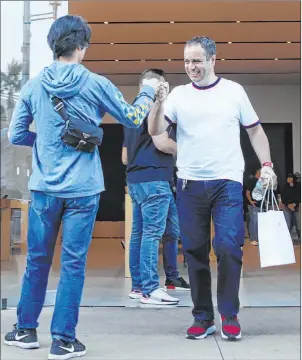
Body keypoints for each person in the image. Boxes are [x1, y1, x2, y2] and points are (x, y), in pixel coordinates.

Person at [4, 15, 159, 360]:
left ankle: (25, 331)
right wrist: (148, 90)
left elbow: (16, 135)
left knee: (37, 262)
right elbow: (133, 118)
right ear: (82, 46)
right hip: (83, 190)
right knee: (73, 263)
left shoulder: (33, 86)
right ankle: (63, 341)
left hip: (44, 189)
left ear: (53, 45)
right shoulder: (95, 83)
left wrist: (44, 142)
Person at [147, 36, 277, 341]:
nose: (192, 67)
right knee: (194, 251)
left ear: (212, 59)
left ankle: (229, 313)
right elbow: (155, 130)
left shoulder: (233, 92)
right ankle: (203, 317)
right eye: (187, 61)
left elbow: (255, 131)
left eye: (197, 60)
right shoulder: (178, 96)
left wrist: (267, 165)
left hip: (227, 183)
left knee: (229, 246)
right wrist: (157, 104)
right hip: (190, 185)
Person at [123, 69, 190, 305]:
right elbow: (161, 143)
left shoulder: (131, 112)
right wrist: (191, 148)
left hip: (135, 179)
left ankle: (138, 286)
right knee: (152, 233)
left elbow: (124, 156)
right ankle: (151, 289)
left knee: (139, 234)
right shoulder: (155, 109)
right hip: (155, 179)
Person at [281, 173, 301, 244]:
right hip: (287, 207)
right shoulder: (285, 187)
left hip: (296, 207)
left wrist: (294, 205)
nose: (288, 179)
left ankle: (299, 238)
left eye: (290, 178)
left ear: (293, 179)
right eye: (287, 178)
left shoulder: (298, 187)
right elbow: (283, 198)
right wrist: (288, 205)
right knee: (288, 223)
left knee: (298, 224)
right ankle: (287, 239)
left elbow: (299, 197)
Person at [245, 169, 261, 246]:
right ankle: (253, 239)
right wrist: (251, 201)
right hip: (253, 204)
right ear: (258, 173)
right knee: (254, 221)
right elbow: (247, 192)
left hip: (260, 204)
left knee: (258, 222)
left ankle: (257, 238)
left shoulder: (260, 182)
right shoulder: (252, 181)